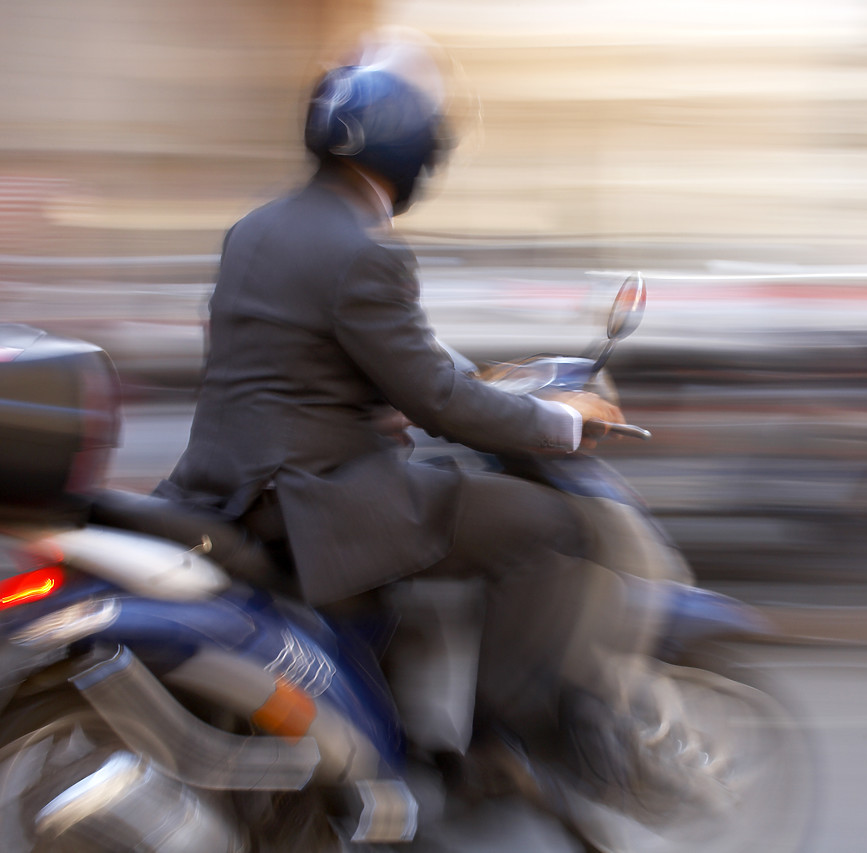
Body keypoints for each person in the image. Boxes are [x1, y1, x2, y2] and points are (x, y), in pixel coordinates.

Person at [154, 33, 625, 753]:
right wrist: (559, 419)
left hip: (229, 482)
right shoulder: (366, 251)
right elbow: (440, 401)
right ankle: (503, 756)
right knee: (546, 526)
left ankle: (400, 732)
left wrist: (433, 386)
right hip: (314, 498)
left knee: (431, 520)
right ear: (413, 154)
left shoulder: (256, 229)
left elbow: (305, 356)